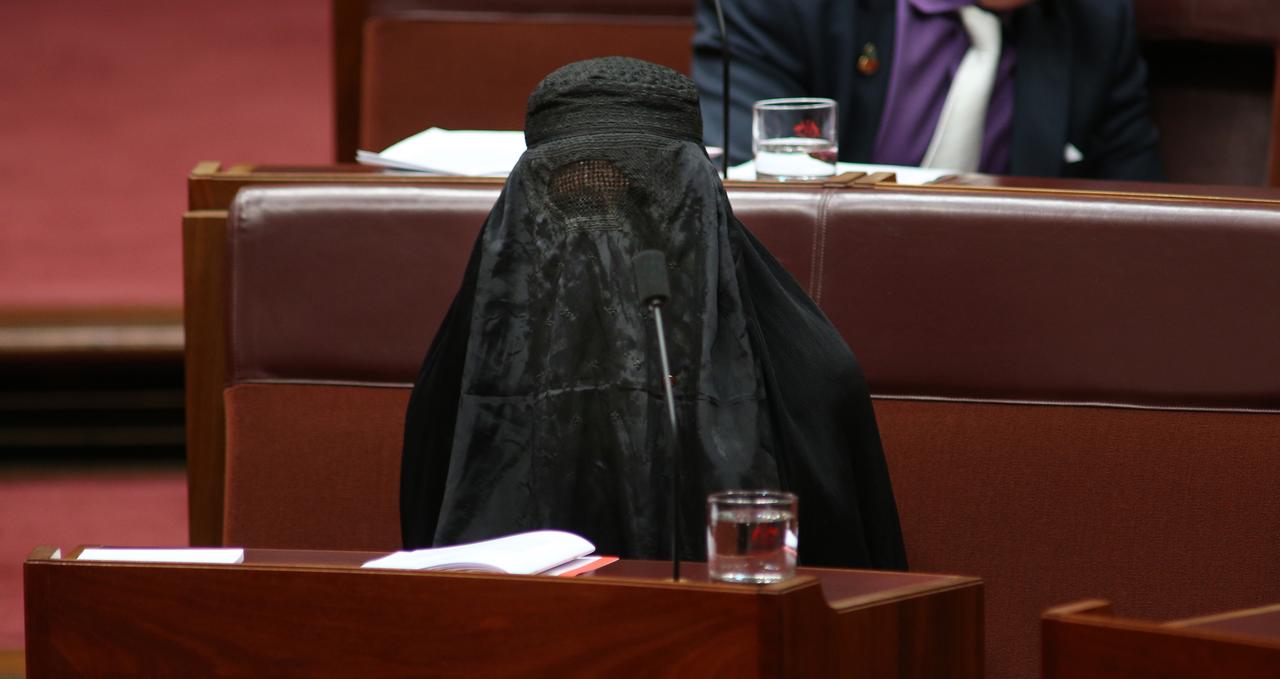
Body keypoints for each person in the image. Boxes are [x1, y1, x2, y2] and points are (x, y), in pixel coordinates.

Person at [399, 56, 907, 570]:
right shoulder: (459, 371)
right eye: (575, 197)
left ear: (699, 199)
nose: (606, 240)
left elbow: (853, 596)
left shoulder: (809, 377)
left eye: (639, 199)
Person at [693, 0, 1165, 180]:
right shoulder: (787, 7)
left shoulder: (1097, 23)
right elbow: (748, 194)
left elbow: (1141, 223)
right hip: (814, 325)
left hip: (1013, 323)